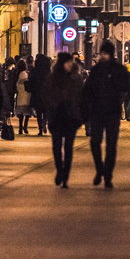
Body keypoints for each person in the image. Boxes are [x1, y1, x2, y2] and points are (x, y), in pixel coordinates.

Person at [82, 40, 130, 189]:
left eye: (104, 53)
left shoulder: (118, 70)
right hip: (98, 112)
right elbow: (87, 90)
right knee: (95, 142)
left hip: (111, 113)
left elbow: (125, 87)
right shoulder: (97, 71)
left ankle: (107, 174)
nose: (102, 56)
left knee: (110, 145)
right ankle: (100, 170)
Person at [44, 52, 84, 188]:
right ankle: (59, 170)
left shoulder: (76, 78)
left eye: (70, 62)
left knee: (68, 147)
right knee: (56, 146)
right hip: (57, 116)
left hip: (71, 117)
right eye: (67, 62)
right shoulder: (52, 79)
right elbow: (47, 97)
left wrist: (80, 114)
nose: (69, 64)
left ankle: (65, 175)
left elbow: (81, 98)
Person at [28, 54, 51, 136]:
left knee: (38, 112)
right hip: (47, 95)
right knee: (46, 111)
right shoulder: (49, 72)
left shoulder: (34, 71)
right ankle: (44, 122)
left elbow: (31, 82)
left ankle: (40, 127)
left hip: (37, 94)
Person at [14, 59, 34, 134]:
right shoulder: (25, 73)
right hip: (26, 93)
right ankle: (25, 126)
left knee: (21, 113)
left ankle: (20, 127)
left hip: (20, 94)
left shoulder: (16, 73)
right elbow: (27, 82)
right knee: (27, 112)